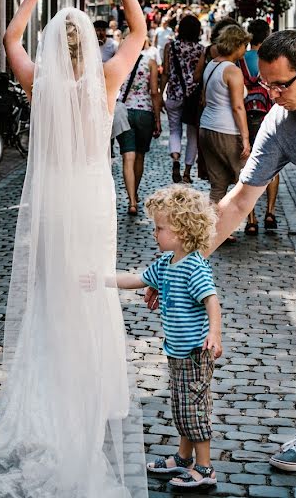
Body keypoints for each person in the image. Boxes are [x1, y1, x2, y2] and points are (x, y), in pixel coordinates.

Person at [147, 31, 296, 472]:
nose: (273, 96)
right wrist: (182, 262)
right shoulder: (281, 126)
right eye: (265, 86)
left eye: (282, 85)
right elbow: (240, 201)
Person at [0, 0, 149, 497]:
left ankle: (45, 397)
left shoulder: (39, 86)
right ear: (91, 49)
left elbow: (9, 43)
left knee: (49, 297)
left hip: (51, 206)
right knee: (90, 291)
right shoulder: (107, 83)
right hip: (92, 203)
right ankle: (88, 388)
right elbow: (139, 32)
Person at [116, 185, 222, 489]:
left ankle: (205, 468)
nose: (154, 233)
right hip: (176, 352)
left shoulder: (193, 266)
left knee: (194, 409)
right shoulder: (166, 263)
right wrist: (103, 279)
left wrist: (214, 333)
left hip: (194, 352)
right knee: (182, 406)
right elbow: (136, 279)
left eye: (160, 228)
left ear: (181, 232)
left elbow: (212, 301)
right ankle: (183, 457)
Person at [198, 25, 252, 206]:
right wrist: (245, 138)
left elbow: (205, 99)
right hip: (226, 130)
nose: (246, 49)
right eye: (245, 45)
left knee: (218, 184)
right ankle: (241, 222)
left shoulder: (212, 65)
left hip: (206, 127)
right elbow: (237, 107)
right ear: (236, 45)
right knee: (243, 181)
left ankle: (215, 229)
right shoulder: (232, 71)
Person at [238, 19, 280, 235]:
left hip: (247, 113)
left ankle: (251, 220)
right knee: (273, 164)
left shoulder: (240, 60)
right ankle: (270, 212)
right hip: (270, 113)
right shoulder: (271, 59)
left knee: (248, 165)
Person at [115, 35, 162, 215]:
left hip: (123, 111)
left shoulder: (119, 62)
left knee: (128, 156)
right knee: (140, 156)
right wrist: (157, 119)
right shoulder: (150, 62)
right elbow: (154, 92)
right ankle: (135, 192)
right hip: (144, 112)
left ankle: (132, 201)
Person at [160, 15, 205, 184]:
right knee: (192, 134)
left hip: (173, 94)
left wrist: (160, 92)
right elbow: (201, 76)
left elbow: (165, 72)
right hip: (192, 98)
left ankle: (175, 159)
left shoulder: (170, 46)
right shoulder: (201, 49)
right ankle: (187, 172)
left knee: (174, 130)